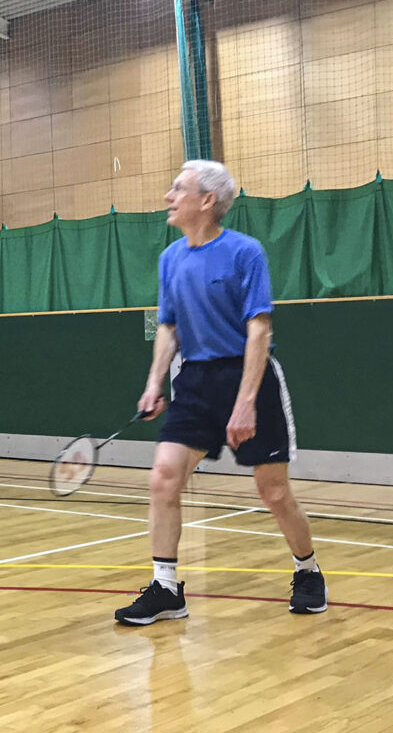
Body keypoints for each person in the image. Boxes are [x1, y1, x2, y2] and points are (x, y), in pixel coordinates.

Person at [114, 160, 328, 626]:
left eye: (178, 189)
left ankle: (307, 569)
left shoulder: (244, 252)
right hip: (194, 379)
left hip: (247, 376)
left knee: (273, 492)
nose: (168, 196)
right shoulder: (170, 258)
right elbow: (168, 326)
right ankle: (167, 588)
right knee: (164, 478)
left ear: (207, 200)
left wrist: (246, 401)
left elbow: (259, 329)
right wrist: (155, 383)